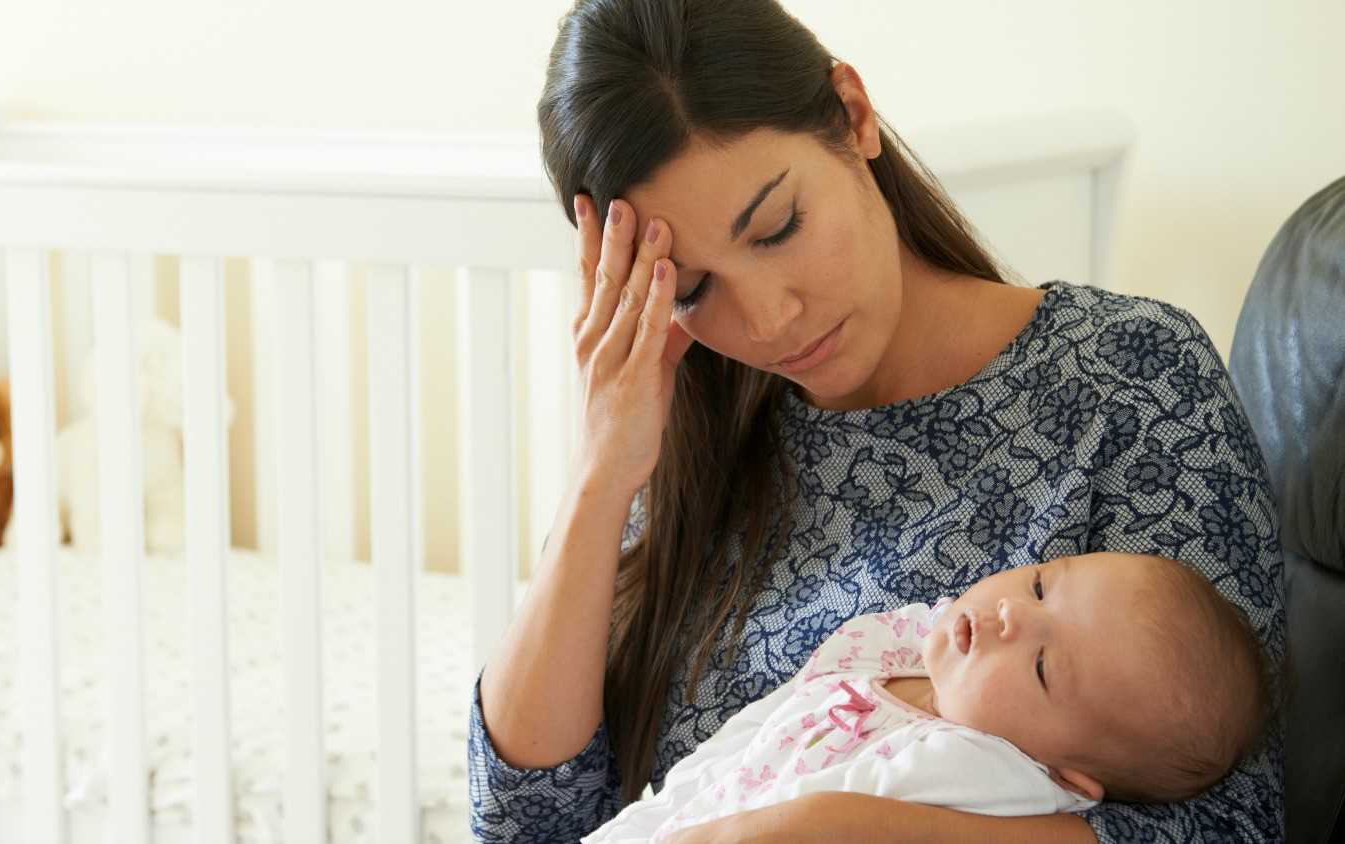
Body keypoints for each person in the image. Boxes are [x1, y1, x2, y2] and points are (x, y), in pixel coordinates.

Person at [469, 0, 1285, 840]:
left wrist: (828, 828)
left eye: (778, 227)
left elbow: (1231, 825)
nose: (769, 321)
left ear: (853, 117)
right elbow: (524, 822)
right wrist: (601, 474)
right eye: (693, 290)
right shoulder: (684, 441)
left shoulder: (1130, 377)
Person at [581, 551, 1274, 842]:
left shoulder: (984, 771)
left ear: (1067, 777)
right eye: (1039, 586)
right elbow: (754, 734)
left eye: (1040, 667)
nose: (1012, 617)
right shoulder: (914, 641)